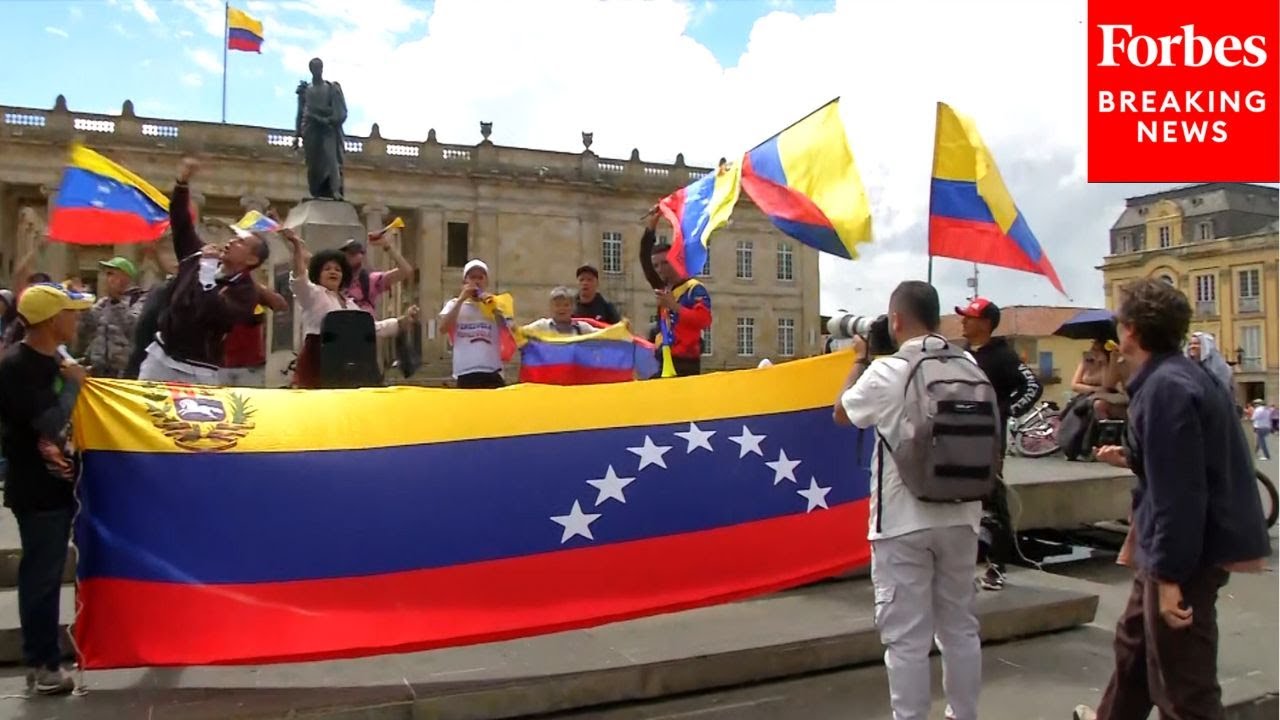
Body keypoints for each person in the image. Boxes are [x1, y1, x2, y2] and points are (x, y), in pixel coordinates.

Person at [1074, 279, 1271, 720]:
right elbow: (1184, 464)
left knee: (1185, 688)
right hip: (1179, 547)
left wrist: (1168, 579)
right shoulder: (1179, 376)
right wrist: (1134, 458)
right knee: (1134, 654)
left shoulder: (1164, 389)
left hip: (1185, 555)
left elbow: (1179, 495)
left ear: (1130, 333)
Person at [833, 281, 983, 720]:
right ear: (937, 319)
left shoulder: (888, 370)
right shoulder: (971, 364)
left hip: (903, 521)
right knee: (960, 628)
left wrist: (860, 358)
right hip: (964, 513)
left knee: (907, 640)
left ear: (896, 321)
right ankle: (964, 714)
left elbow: (842, 412)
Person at [0, 283, 95, 695]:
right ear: (54, 320)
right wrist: (73, 385)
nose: (77, 320)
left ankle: (43, 660)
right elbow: (49, 423)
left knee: (47, 573)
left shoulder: (56, 359)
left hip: (62, 488)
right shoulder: (15, 368)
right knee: (41, 579)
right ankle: (43, 664)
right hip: (36, 489)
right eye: (71, 314)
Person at [139, 157, 269, 385]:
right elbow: (181, 223)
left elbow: (212, 312)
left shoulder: (246, 293)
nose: (230, 241)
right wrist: (182, 183)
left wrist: (207, 270)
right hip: (161, 357)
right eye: (233, 238)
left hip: (201, 369)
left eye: (239, 242)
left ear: (251, 259)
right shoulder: (196, 255)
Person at [956, 297, 1042, 592]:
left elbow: (1032, 386)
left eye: (969, 317)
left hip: (990, 438)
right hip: (961, 435)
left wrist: (1007, 411)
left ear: (986, 324)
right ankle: (969, 558)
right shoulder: (962, 354)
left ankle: (997, 564)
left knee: (992, 497)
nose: (963, 321)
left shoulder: (1003, 355)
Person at [283, 228, 418, 388]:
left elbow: (369, 327)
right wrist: (297, 246)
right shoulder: (313, 295)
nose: (333, 272)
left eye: (337, 269)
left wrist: (400, 322)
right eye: (327, 269)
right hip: (317, 359)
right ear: (318, 274)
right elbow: (299, 277)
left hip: (347, 358)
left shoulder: (349, 303)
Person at [639, 209, 712, 376]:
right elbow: (644, 258)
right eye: (656, 265)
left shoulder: (694, 288)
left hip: (686, 361)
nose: (659, 269)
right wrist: (652, 225)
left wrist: (674, 306)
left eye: (664, 263)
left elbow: (704, 320)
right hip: (662, 359)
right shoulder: (662, 287)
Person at [438, 259, 511, 389]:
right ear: (465, 282)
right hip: (466, 370)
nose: (477, 281)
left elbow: (508, 330)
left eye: (480, 277)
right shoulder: (454, 304)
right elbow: (443, 328)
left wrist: (493, 308)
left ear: (486, 282)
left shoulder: (497, 303)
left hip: (491, 369)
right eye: (472, 277)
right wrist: (461, 300)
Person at [73, 256, 143, 378]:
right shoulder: (104, 303)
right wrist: (82, 304)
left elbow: (134, 327)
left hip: (123, 373)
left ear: (125, 278)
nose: (107, 279)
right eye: (107, 275)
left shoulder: (138, 300)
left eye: (111, 274)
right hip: (98, 370)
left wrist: (117, 302)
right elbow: (90, 324)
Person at [339, 230, 414, 314]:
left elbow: (406, 270)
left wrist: (387, 246)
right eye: (346, 253)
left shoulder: (370, 280)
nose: (350, 256)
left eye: (354, 253)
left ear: (362, 256)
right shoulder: (336, 280)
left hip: (366, 324)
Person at [1070, 339, 1129, 420]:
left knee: (1098, 405)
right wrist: (1096, 389)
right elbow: (1074, 385)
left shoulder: (1111, 362)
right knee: (1076, 410)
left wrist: (1104, 364)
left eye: (1097, 349)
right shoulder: (1086, 361)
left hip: (1106, 397)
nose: (1092, 351)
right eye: (1093, 348)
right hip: (1088, 395)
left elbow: (1107, 385)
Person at [522, 286, 596, 336]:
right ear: (551, 308)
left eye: (566, 305)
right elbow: (520, 332)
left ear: (573, 308)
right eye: (557, 305)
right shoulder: (542, 326)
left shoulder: (581, 328)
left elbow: (602, 334)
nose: (562, 308)